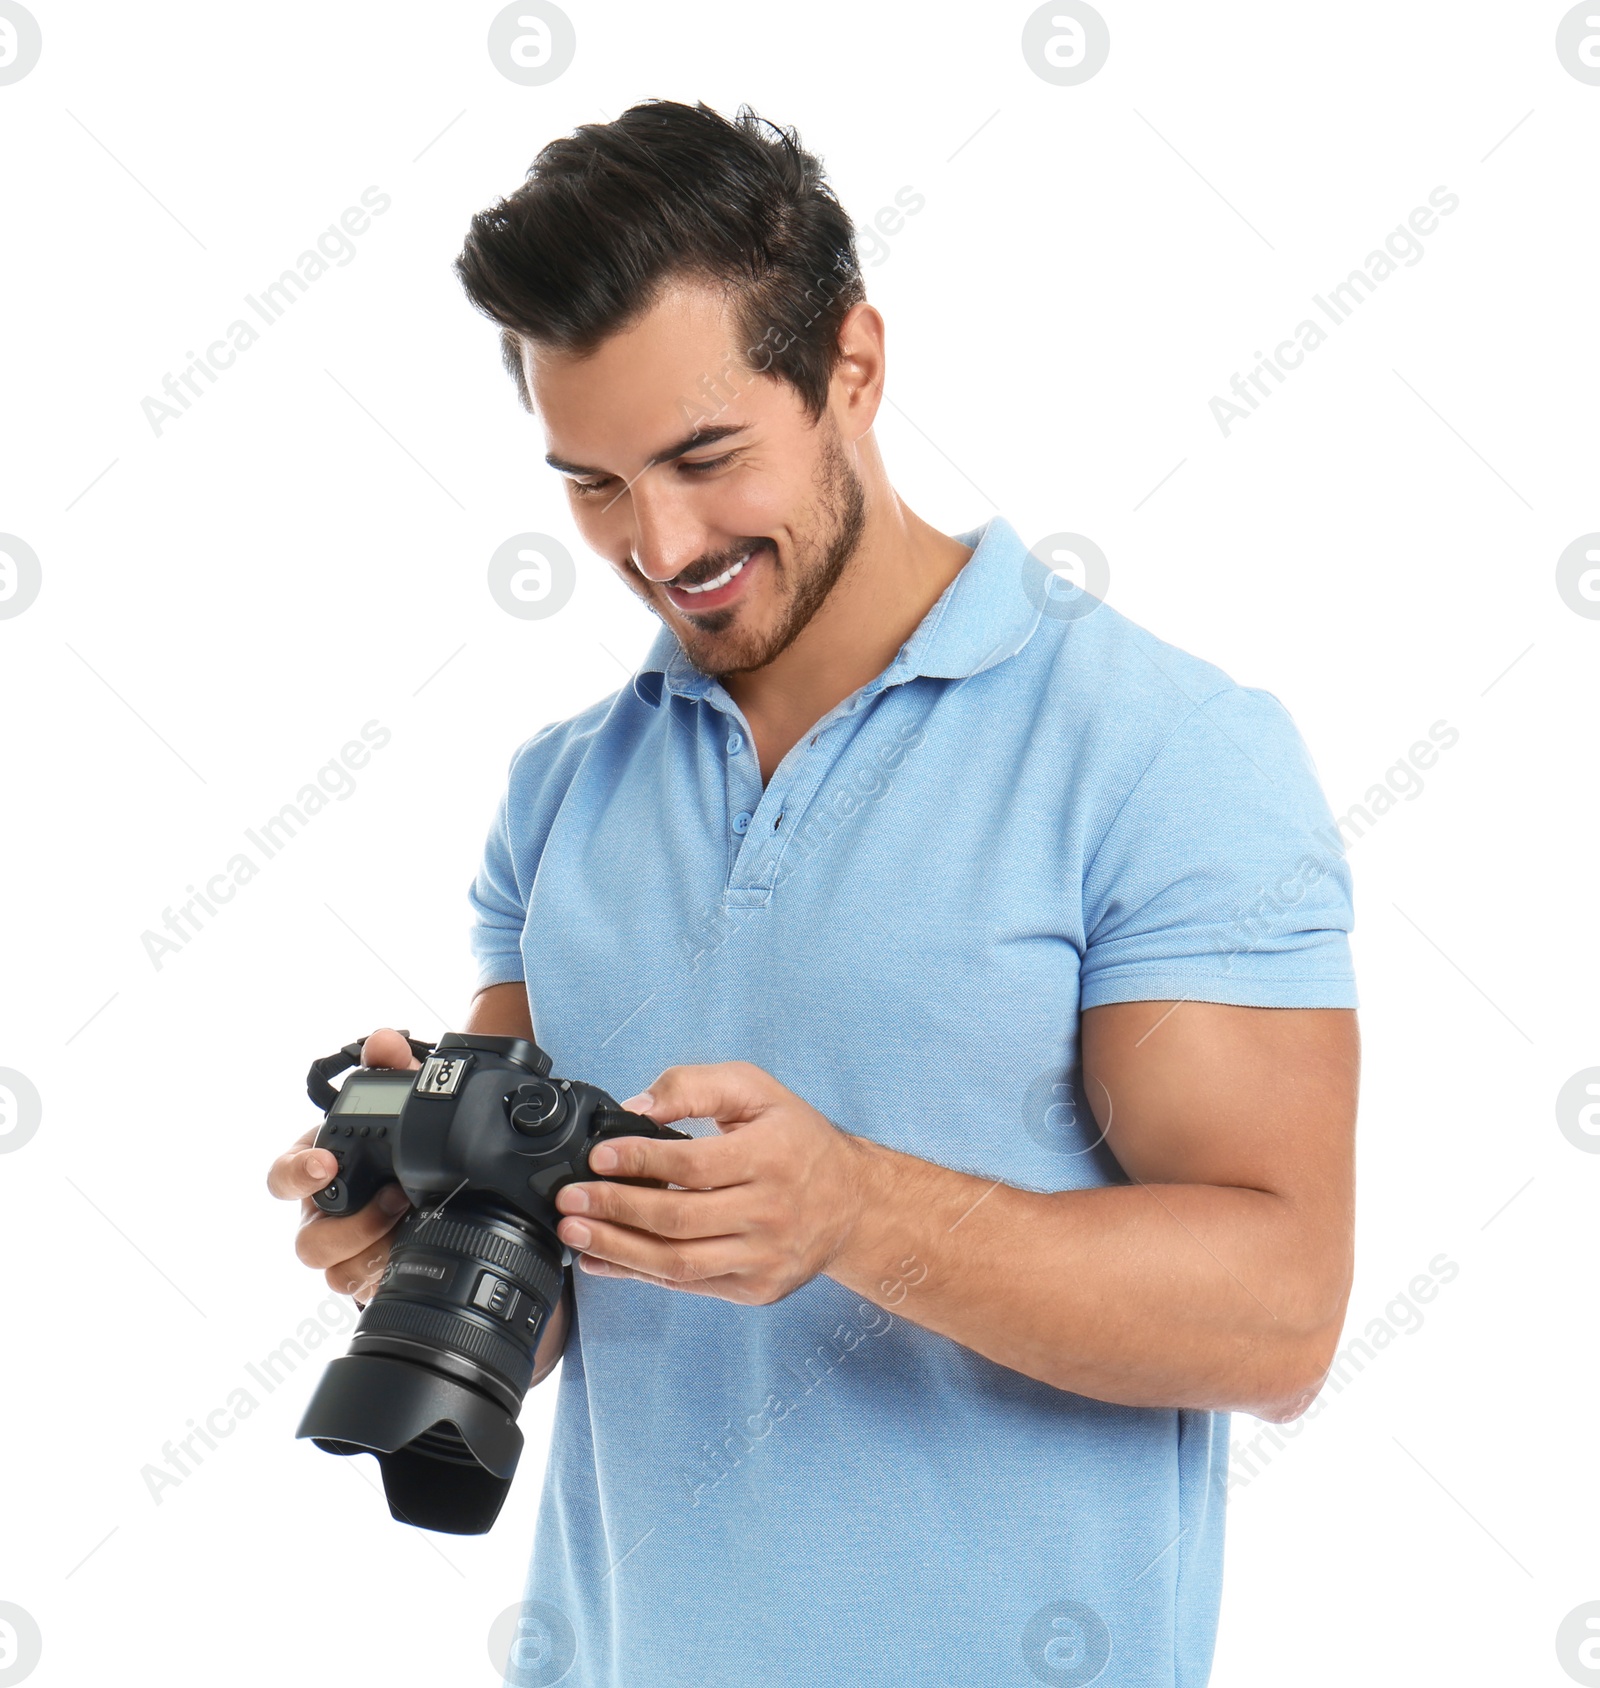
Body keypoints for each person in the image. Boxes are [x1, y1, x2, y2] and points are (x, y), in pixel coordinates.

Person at [268, 98, 1359, 1688]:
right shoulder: (563, 790)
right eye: (591, 484)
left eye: (707, 458)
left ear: (852, 365)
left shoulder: (1164, 754)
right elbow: (576, 1272)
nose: (661, 543)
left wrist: (857, 1214)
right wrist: (423, 1229)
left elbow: (1281, 1319)